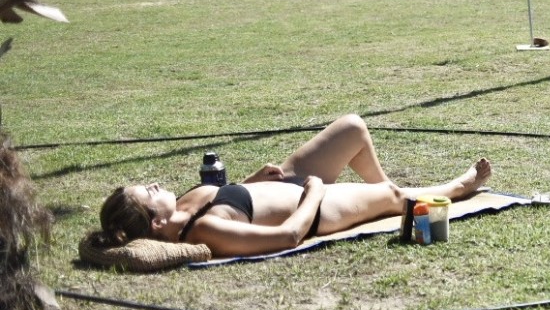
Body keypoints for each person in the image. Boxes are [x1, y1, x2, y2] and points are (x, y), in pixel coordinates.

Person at [96, 114, 491, 258]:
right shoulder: (203, 231)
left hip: (287, 181)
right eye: (146, 193)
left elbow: (229, 196)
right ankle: (454, 189)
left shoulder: (184, 205)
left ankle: (393, 200)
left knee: (352, 127)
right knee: (388, 197)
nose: (152, 184)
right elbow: (287, 237)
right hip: (314, 208)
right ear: (156, 226)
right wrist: (315, 194)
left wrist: (250, 181)